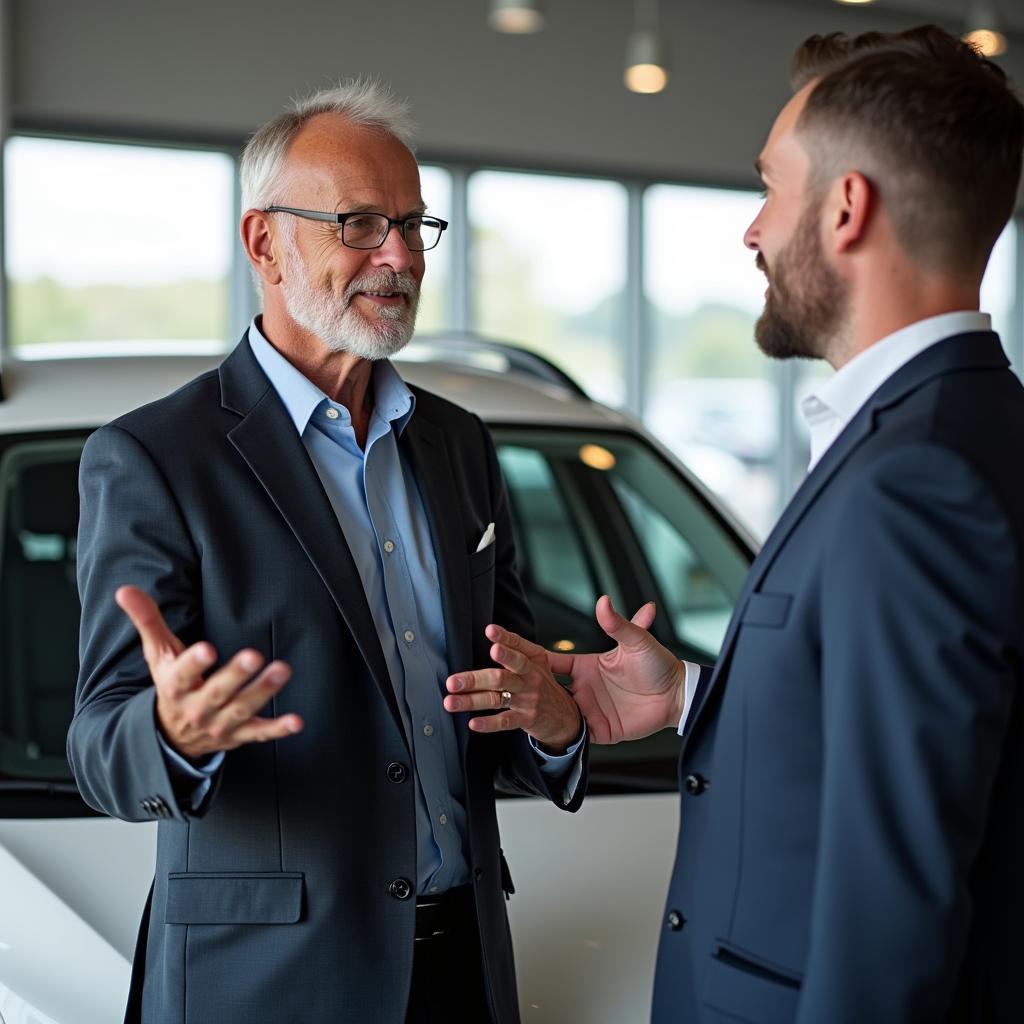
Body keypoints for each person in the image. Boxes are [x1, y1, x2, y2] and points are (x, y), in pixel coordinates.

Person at [445, 26, 1024, 1023]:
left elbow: (893, 897)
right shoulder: (974, 430)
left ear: (846, 208)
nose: (750, 230)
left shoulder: (914, 476)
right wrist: (690, 695)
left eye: (769, 186)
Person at [67, 81, 585, 1024]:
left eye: (413, 224)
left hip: (464, 970)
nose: (397, 256)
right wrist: (174, 734)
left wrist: (555, 723)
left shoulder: (459, 443)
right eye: (357, 223)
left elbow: (502, 691)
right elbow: (101, 742)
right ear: (264, 242)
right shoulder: (152, 456)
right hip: (268, 986)